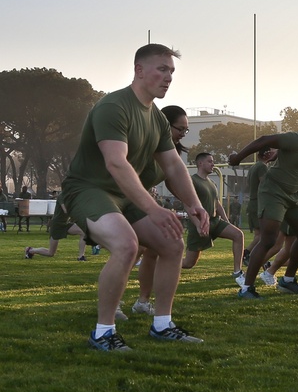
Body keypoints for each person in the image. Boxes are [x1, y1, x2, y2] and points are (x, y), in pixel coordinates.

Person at [59, 43, 210, 350]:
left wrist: (194, 204)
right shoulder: (113, 107)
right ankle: (103, 332)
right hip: (89, 190)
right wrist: (153, 208)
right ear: (139, 70)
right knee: (126, 245)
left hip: (123, 196)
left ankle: (163, 325)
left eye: (171, 72)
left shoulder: (155, 118)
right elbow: (116, 162)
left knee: (172, 243)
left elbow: (172, 165)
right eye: (162, 69)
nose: (168, 78)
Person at [228, 112, 298, 298]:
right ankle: (246, 288)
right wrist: (238, 158)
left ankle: (287, 281)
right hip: (274, 192)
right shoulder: (296, 139)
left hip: (296, 196)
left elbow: (295, 159)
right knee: (269, 240)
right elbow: (264, 140)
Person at [132, 104, 188, 316]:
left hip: (147, 203)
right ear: (165, 124)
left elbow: (173, 179)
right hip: (129, 202)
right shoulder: (145, 144)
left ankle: (143, 302)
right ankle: (113, 303)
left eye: (186, 130)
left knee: (156, 249)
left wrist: (191, 205)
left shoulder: (172, 151)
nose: (182, 134)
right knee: (130, 249)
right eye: (179, 129)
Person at [181, 152, 246, 283]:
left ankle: (237, 272)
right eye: (210, 161)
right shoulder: (192, 181)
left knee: (238, 235)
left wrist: (227, 222)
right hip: (200, 224)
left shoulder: (212, 183)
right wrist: (198, 224)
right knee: (188, 263)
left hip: (215, 222)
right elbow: (187, 205)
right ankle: (159, 262)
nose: (213, 164)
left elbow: (217, 204)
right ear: (200, 163)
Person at [243, 146, 277, 264]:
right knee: (262, 235)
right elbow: (265, 184)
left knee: (259, 234)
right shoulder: (262, 167)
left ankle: (250, 255)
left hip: (254, 202)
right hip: (258, 203)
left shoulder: (254, 166)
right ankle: (246, 253)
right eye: (273, 151)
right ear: (266, 154)